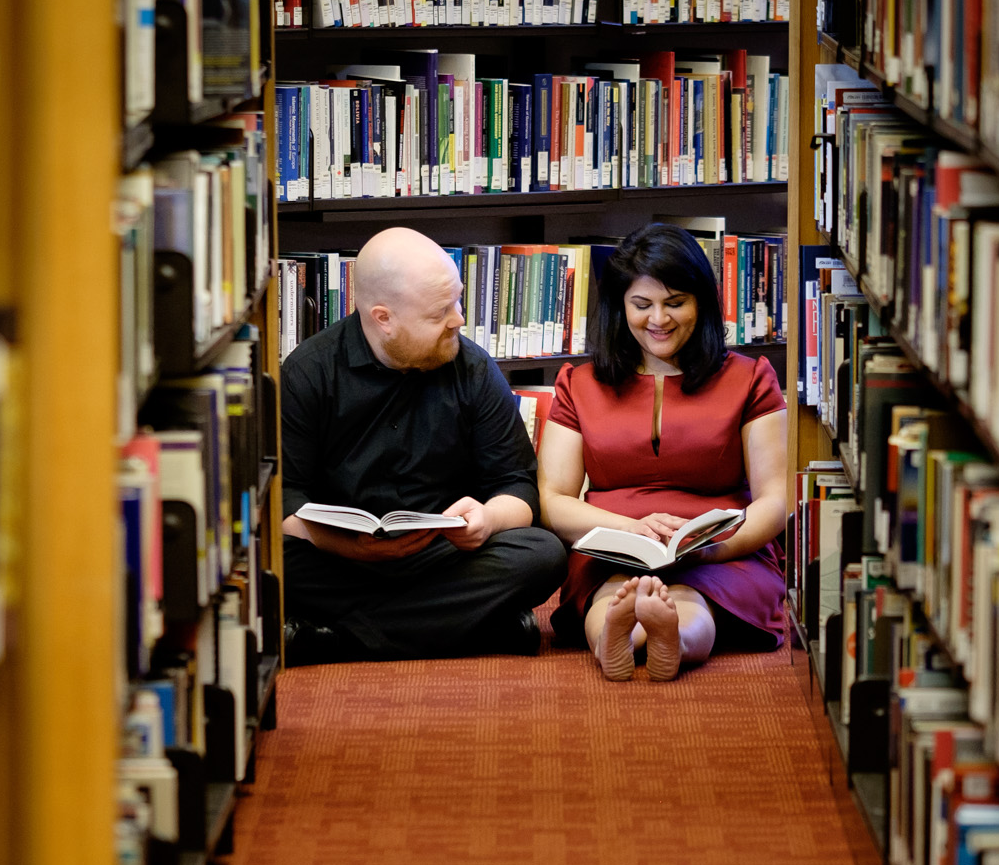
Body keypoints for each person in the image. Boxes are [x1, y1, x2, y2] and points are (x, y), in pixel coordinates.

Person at [280, 227, 568, 664]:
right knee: (270, 561)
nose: (459, 319)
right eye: (439, 313)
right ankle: (478, 629)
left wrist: (487, 520)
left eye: (458, 299)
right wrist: (347, 545)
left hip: (444, 556)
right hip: (340, 559)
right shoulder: (308, 372)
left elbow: (517, 484)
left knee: (543, 554)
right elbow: (282, 498)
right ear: (384, 318)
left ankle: (337, 641)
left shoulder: (472, 368)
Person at [537, 224, 790, 681]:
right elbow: (553, 500)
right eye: (642, 305)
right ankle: (619, 639)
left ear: (702, 302)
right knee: (616, 592)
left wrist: (709, 550)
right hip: (614, 542)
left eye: (676, 303)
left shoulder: (751, 379)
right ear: (619, 306)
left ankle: (670, 638)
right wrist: (631, 529)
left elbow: (774, 500)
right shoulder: (578, 384)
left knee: (696, 598)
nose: (659, 319)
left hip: (722, 548)